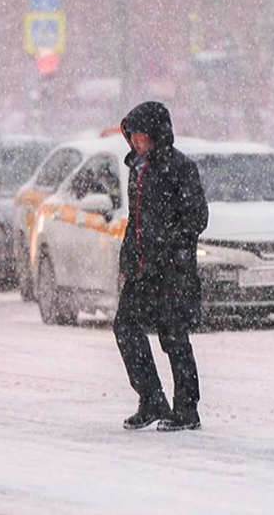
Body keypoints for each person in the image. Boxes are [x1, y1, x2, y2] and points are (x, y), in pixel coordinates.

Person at [112, 102, 210, 431]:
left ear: (157, 135)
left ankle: (186, 410)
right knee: (125, 328)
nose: (136, 143)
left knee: (174, 337)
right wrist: (128, 259)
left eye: (142, 137)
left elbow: (197, 217)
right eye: (133, 137)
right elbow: (135, 221)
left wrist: (168, 247)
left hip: (171, 270)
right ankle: (151, 397)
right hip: (141, 269)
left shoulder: (180, 167)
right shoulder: (136, 168)